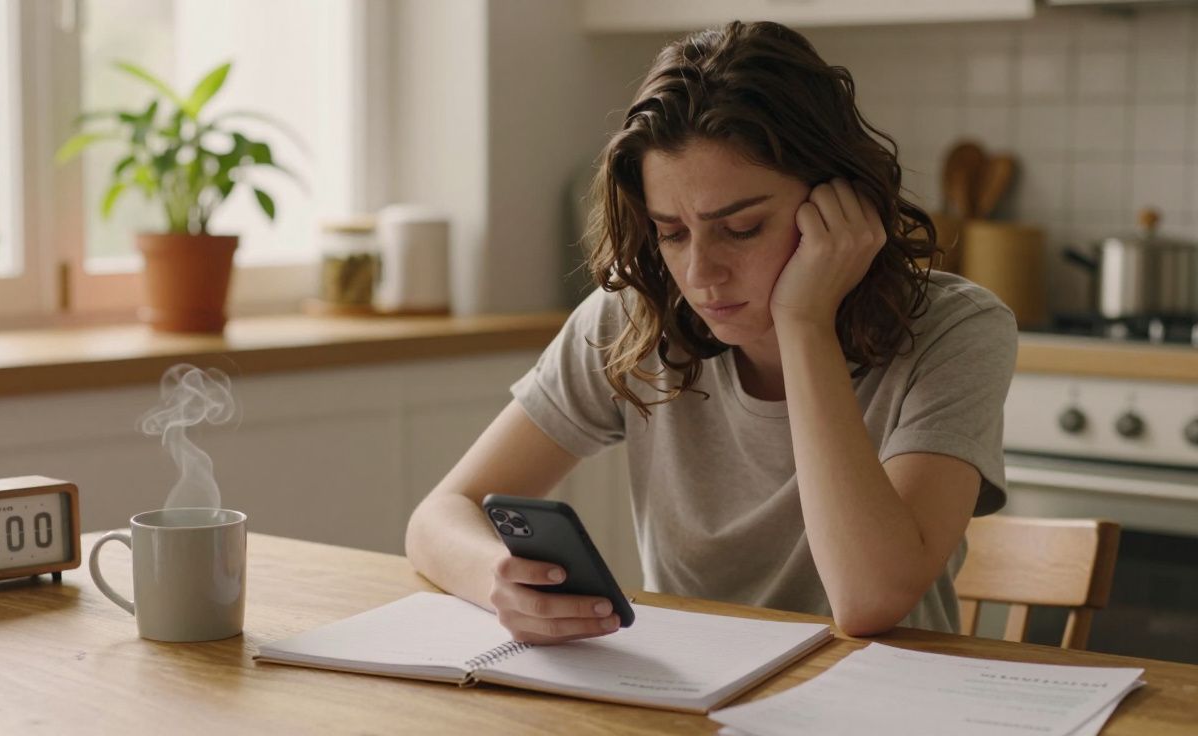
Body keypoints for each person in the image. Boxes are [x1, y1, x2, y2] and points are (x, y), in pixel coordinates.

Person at [405, 20, 1016, 644]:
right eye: (671, 232)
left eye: (743, 228)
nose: (701, 275)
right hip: (699, 704)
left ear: (842, 205)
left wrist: (802, 323)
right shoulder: (634, 321)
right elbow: (437, 518)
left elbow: (868, 602)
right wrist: (498, 580)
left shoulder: (956, 331)